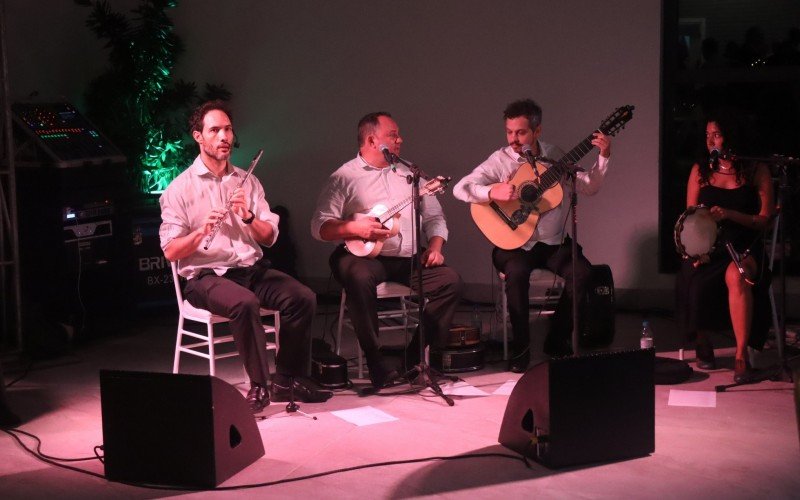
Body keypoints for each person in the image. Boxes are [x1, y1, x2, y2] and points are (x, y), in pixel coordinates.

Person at [160, 100, 331, 413]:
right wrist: (200, 232)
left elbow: (269, 238)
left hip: (250, 271)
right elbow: (171, 250)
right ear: (199, 136)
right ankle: (259, 385)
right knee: (244, 303)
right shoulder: (179, 189)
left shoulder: (248, 181)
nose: (224, 136)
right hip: (205, 276)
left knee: (302, 296)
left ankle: (288, 380)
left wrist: (249, 217)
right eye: (215, 130)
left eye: (227, 129)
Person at [452, 99, 612, 372]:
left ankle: (557, 339)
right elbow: (460, 188)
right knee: (517, 275)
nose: (514, 139)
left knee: (583, 273)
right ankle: (521, 347)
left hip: (551, 243)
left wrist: (603, 157)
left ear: (537, 131)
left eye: (521, 132)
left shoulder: (553, 157)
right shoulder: (499, 160)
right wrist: (491, 192)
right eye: (509, 132)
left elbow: (587, 187)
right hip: (513, 244)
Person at [311, 112, 463, 391]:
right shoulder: (344, 177)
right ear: (372, 140)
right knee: (358, 276)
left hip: (407, 257)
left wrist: (436, 246)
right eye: (393, 135)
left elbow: (435, 219)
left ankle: (411, 360)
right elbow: (319, 226)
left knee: (450, 281)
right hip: (363, 256)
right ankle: (376, 363)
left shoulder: (409, 176)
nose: (400, 139)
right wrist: (354, 228)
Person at [675, 111, 774, 383]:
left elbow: (764, 220)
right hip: (711, 245)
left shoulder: (755, 170)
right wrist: (695, 250)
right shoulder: (701, 171)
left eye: (716, 134)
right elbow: (690, 218)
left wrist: (731, 214)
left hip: (745, 245)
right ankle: (702, 340)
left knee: (736, 275)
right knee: (692, 275)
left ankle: (741, 356)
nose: (710, 141)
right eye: (707, 136)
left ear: (731, 135)